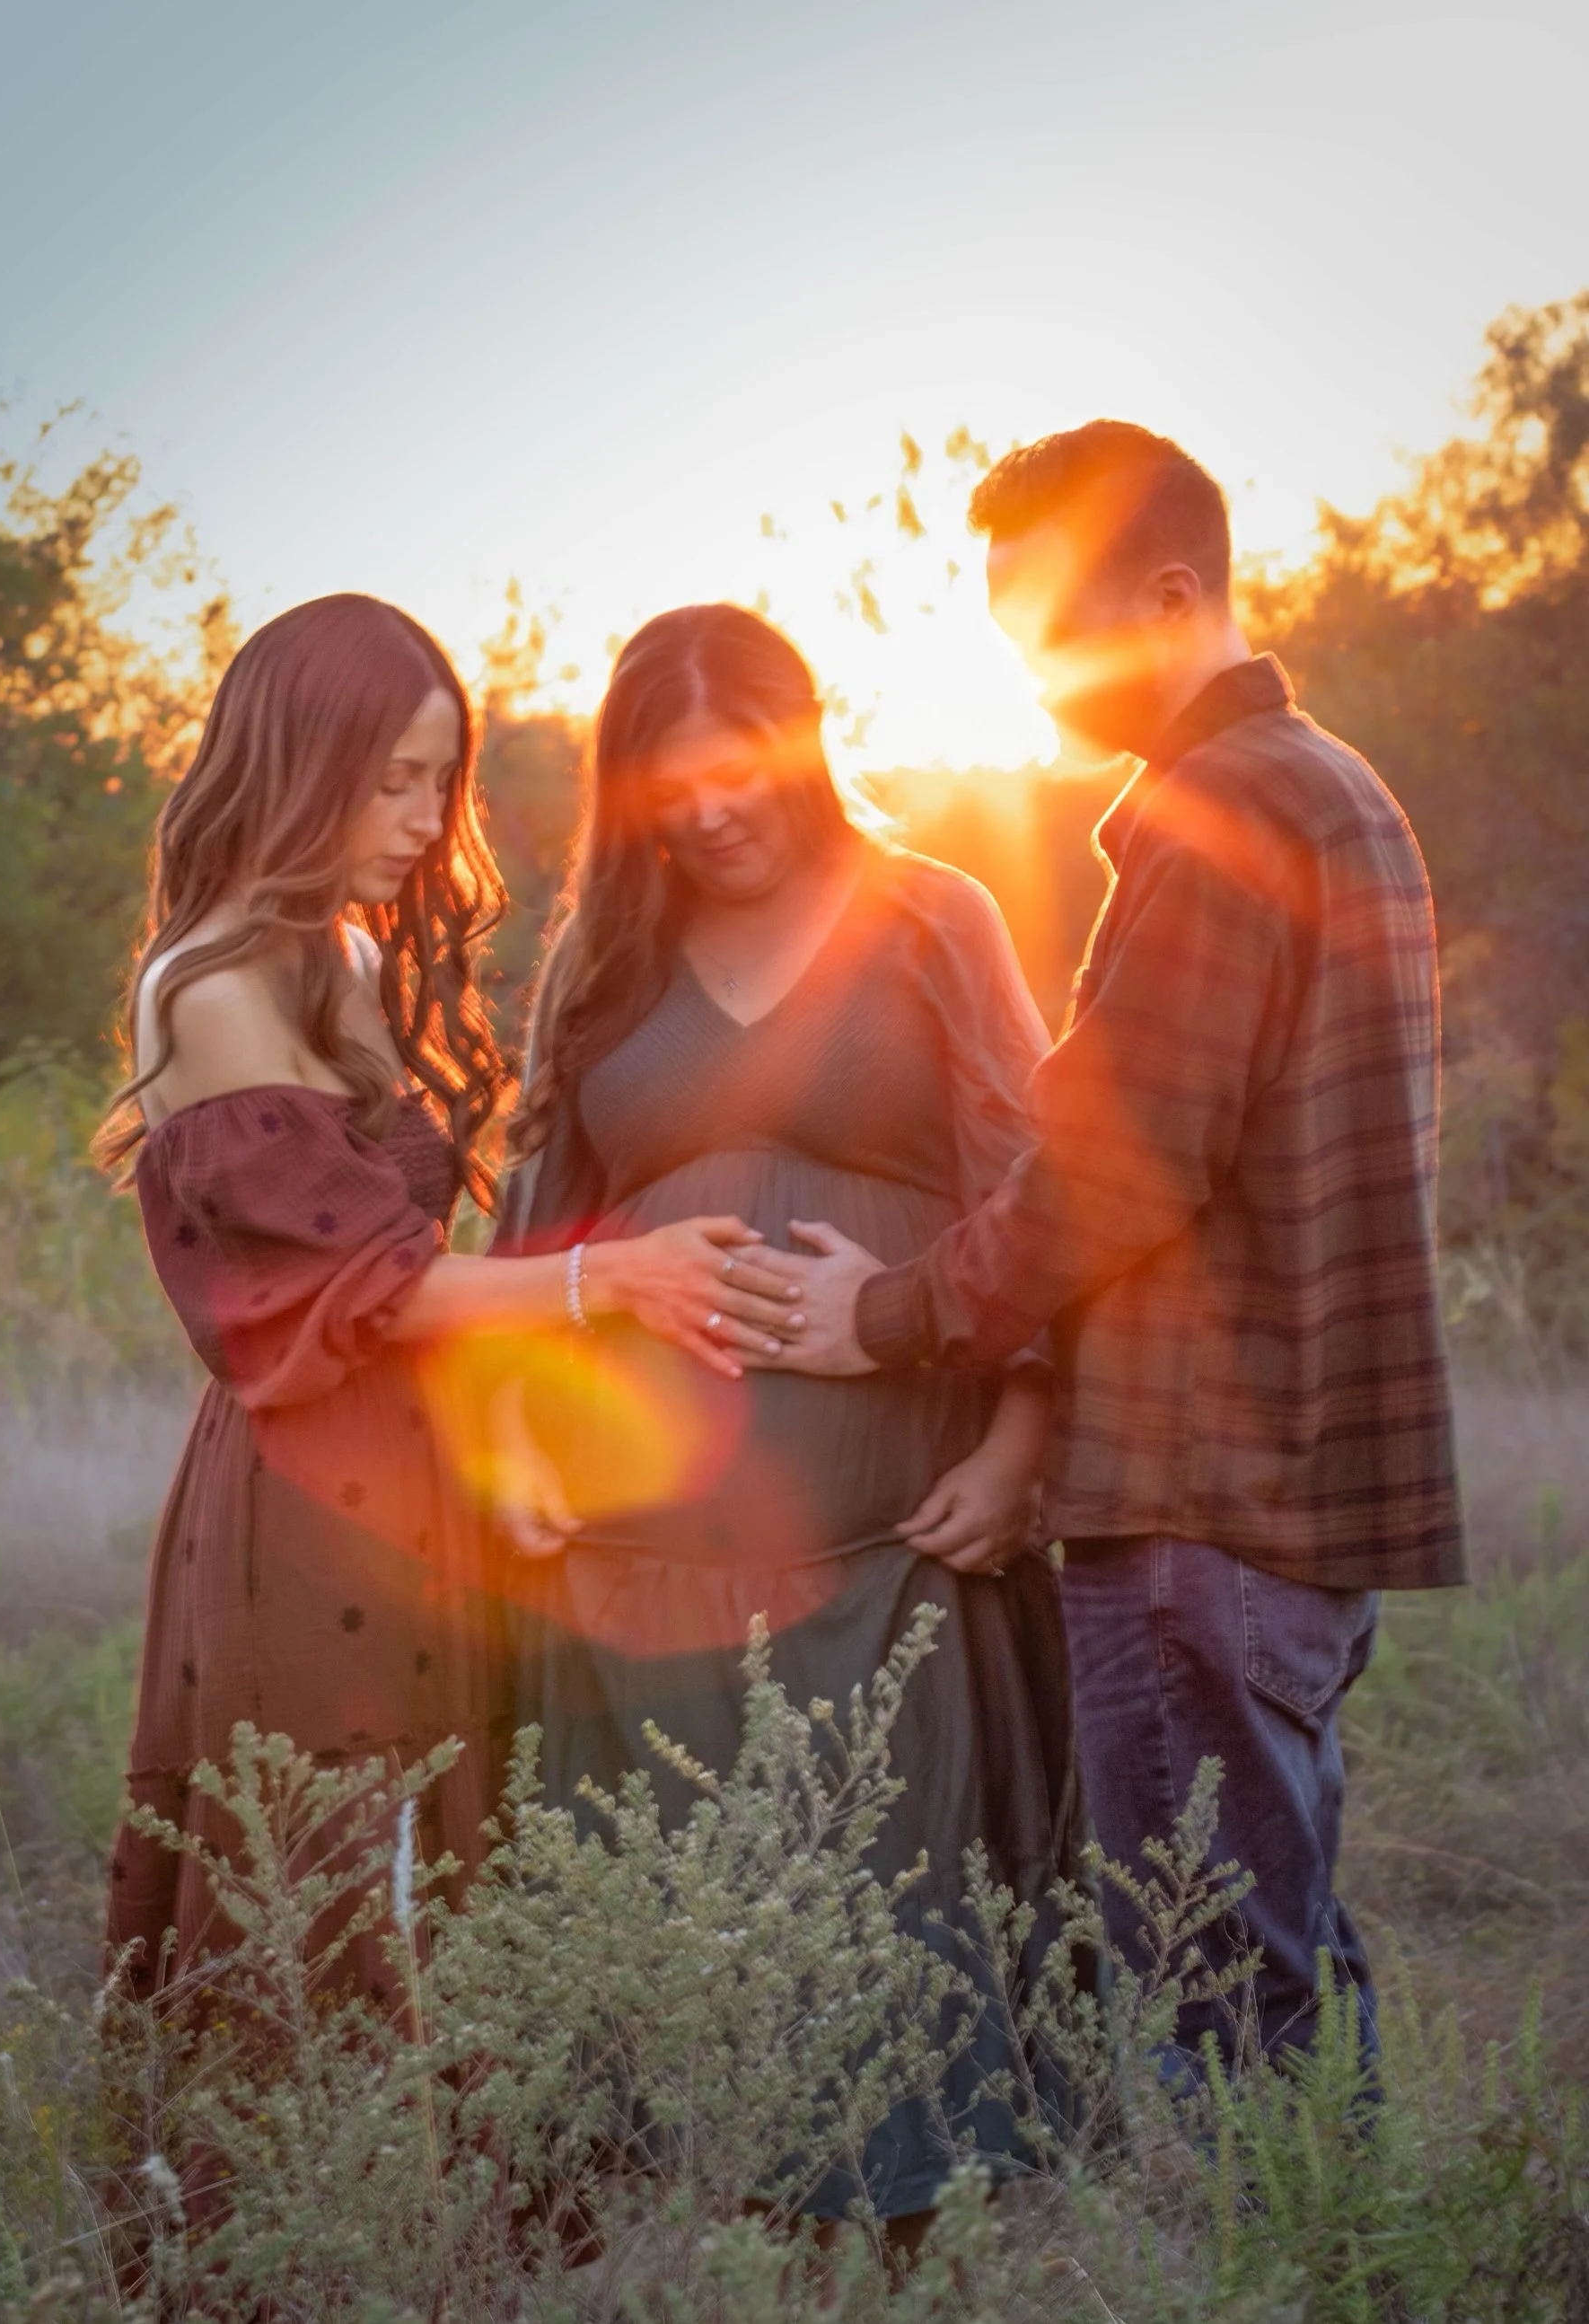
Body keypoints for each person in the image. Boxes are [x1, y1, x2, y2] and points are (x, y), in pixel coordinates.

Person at [751, 424, 1465, 2073]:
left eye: (1053, 643)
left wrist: (893, 1316)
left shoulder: (1222, 813)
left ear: (1169, 593)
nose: (1041, 692)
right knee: (1281, 1970)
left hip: (1201, 1506)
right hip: (1285, 1506)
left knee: (1216, 2002)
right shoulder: (1334, 789)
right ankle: (1328, 2259)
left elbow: (1114, 1170)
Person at [98, 593, 800, 2006]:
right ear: (301, 763)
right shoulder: (215, 991)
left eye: (442, 780)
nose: (426, 818)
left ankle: (446, 2227)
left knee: (437, 1882)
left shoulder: (340, 951)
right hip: (306, 1495)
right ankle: (299, 2223)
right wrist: (615, 1280)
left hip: (418, 1475)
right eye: (393, 779)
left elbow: (424, 1256)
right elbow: (373, 1286)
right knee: (329, 1895)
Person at [496, 603, 1084, 2225]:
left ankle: (909, 2213)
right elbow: (534, 1230)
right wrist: (523, 1436)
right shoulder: (603, 970)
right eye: (665, 785)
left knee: (891, 1880)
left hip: (892, 1530)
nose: (708, 810)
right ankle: (690, 2202)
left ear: (806, 737)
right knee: (681, 1884)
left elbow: (1037, 1193)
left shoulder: (929, 917)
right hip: (641, 1550)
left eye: (736, 765)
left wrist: (1020, 1441)